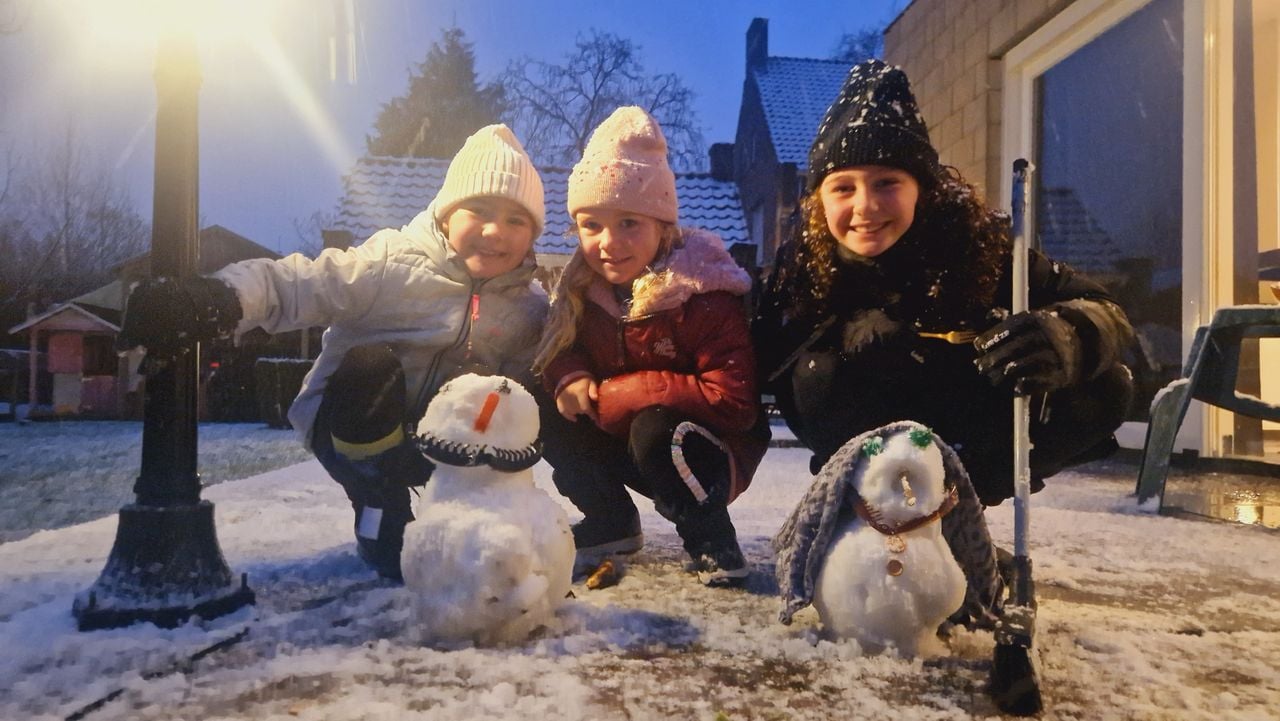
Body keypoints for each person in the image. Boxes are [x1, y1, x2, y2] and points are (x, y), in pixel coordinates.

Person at [754, 60, 1135, 622]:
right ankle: (863, 521)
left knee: (1107, 388)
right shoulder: (801, 265)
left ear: (922, 190)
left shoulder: (979, 245)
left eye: (888, 183)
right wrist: (847, 334)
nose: (865, 207)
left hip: (964, 436)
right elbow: (761, 358)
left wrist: (1064, 337)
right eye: (844, 187)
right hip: (861, 449)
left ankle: (951, 524)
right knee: (816, 374)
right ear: (820, 199)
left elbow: (1105, 311)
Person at [117, 124, 549, 582]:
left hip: (438, 441)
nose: (494, 231)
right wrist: (224, 297)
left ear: (533, 235)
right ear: (445, 215)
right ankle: (378, 511)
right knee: (370, 368)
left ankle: (466, 519)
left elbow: (530, 383)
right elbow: (300, 282)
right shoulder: (391, 264)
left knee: (491, 386)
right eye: (477, 210)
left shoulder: (529, 306)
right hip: (355, 424)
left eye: (515, 220)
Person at [533, 106, 770, 587]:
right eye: (591, 225)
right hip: (626, 438)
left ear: (662, 226)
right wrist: (571, 376)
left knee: (654, 427)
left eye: (628, 224)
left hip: (705, 455)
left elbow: (736, 402)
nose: (607, 242)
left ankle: (712, 541)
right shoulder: (582, 292)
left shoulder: (699, 292)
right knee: (538, 398)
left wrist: (634, 392)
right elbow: (559, 351)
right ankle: (610, 519)